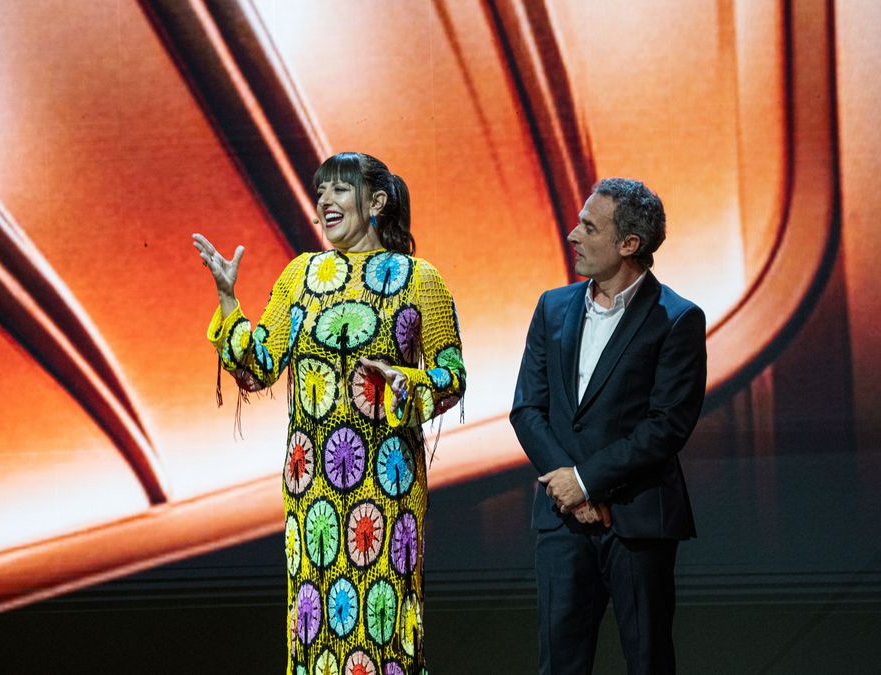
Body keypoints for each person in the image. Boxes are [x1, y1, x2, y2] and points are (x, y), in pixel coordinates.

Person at [193, 152, 465, 674]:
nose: (324, 201)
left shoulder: (419, 279)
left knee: (383, 619)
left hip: (386, 486)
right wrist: (230, 301)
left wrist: (402, 384)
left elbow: (452, 376)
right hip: (312, 484)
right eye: (321, 191)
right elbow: (259, 367)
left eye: (340, 189)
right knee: (316, 621)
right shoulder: (301, 274)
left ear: (377, 202)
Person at [510, 178, 706, 674]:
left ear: (629, 244)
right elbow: (527, 409)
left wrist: (587, 482)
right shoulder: (552, 307)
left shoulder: (676, 319)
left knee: (647, 660)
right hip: (561, 523)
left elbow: (666, 426)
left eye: (588, 226)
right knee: (560, 663)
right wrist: (568, 488)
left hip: (637, 520)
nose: (573, 235)